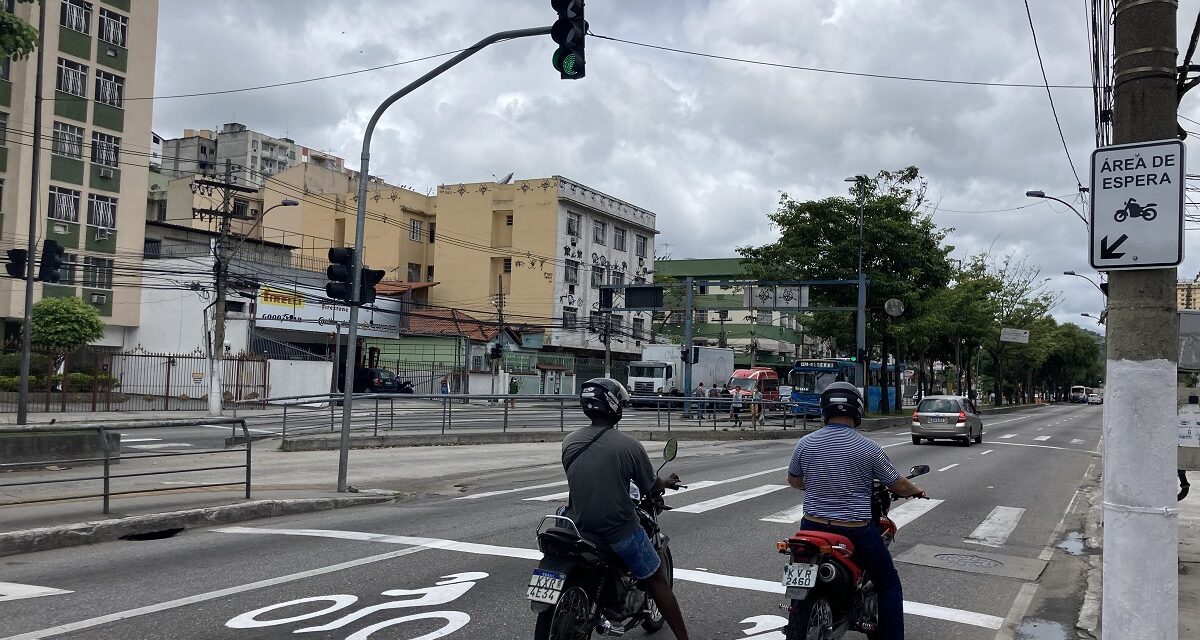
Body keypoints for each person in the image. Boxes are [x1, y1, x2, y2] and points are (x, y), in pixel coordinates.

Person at [786, 381, 926, 640]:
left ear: (824, 409)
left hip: (811, 527)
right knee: (888, 584)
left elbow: (794, 480)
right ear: (857, 410)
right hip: (855, 531)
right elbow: (897, 484)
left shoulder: (805, 443)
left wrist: (818, 485)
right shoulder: (868, 447)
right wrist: (916, 490)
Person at [562, 378, 690, 640]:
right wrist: (664, 482)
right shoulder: (629, 446)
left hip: (576, 526)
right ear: (614, 407)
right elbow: (651, 486)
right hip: (617, 529)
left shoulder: (569, 442)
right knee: (656, 579)